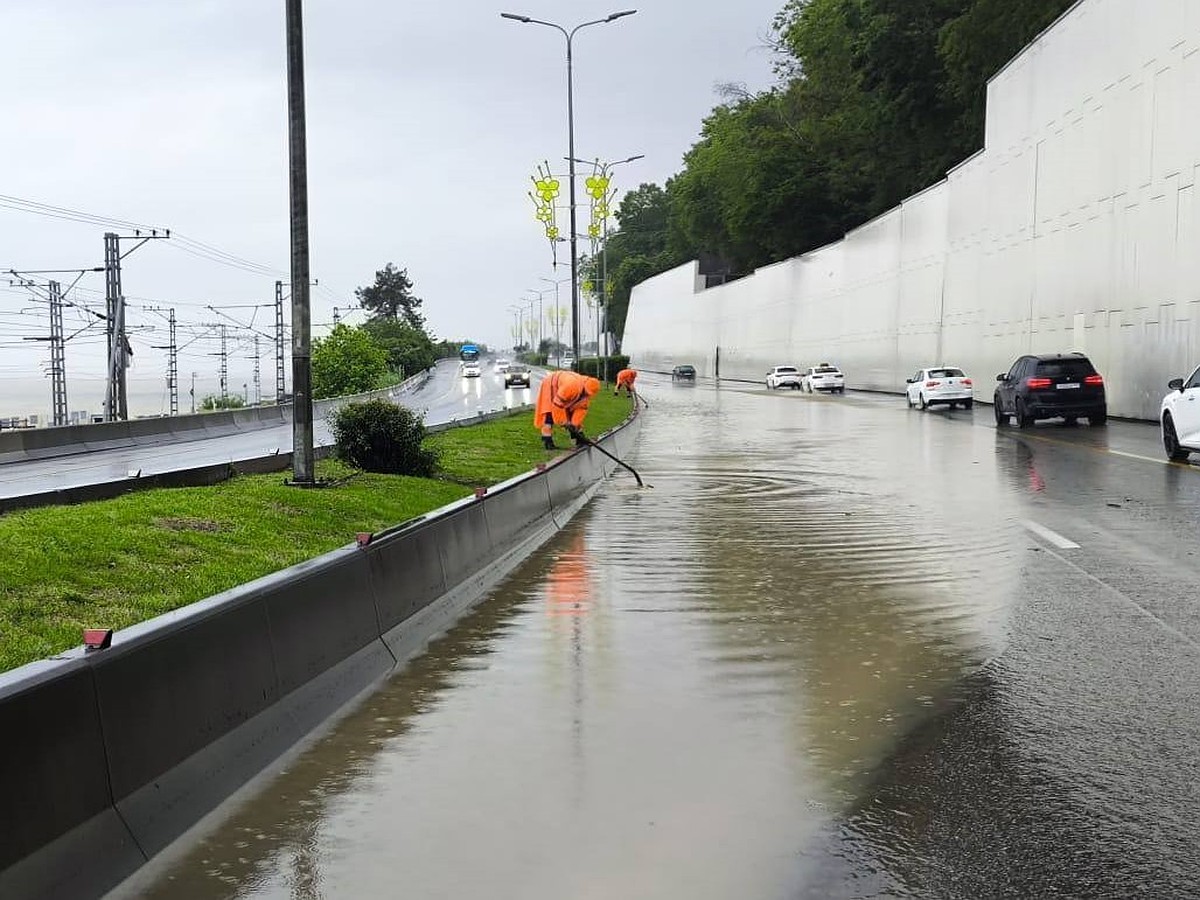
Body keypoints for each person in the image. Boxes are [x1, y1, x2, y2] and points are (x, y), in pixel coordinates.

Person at [534, 370, 601, 449]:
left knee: (572, 421)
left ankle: (579, 439)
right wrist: (563, 421)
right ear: (584, 387)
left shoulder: (585, 393)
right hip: (551, 385)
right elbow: (557, 405)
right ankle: (548, 441)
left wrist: (574, 424)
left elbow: (581, 408)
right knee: (549, 415)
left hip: (564, 389)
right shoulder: (571, 386)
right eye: (586, 392)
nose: (587, 395)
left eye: (588, 394)